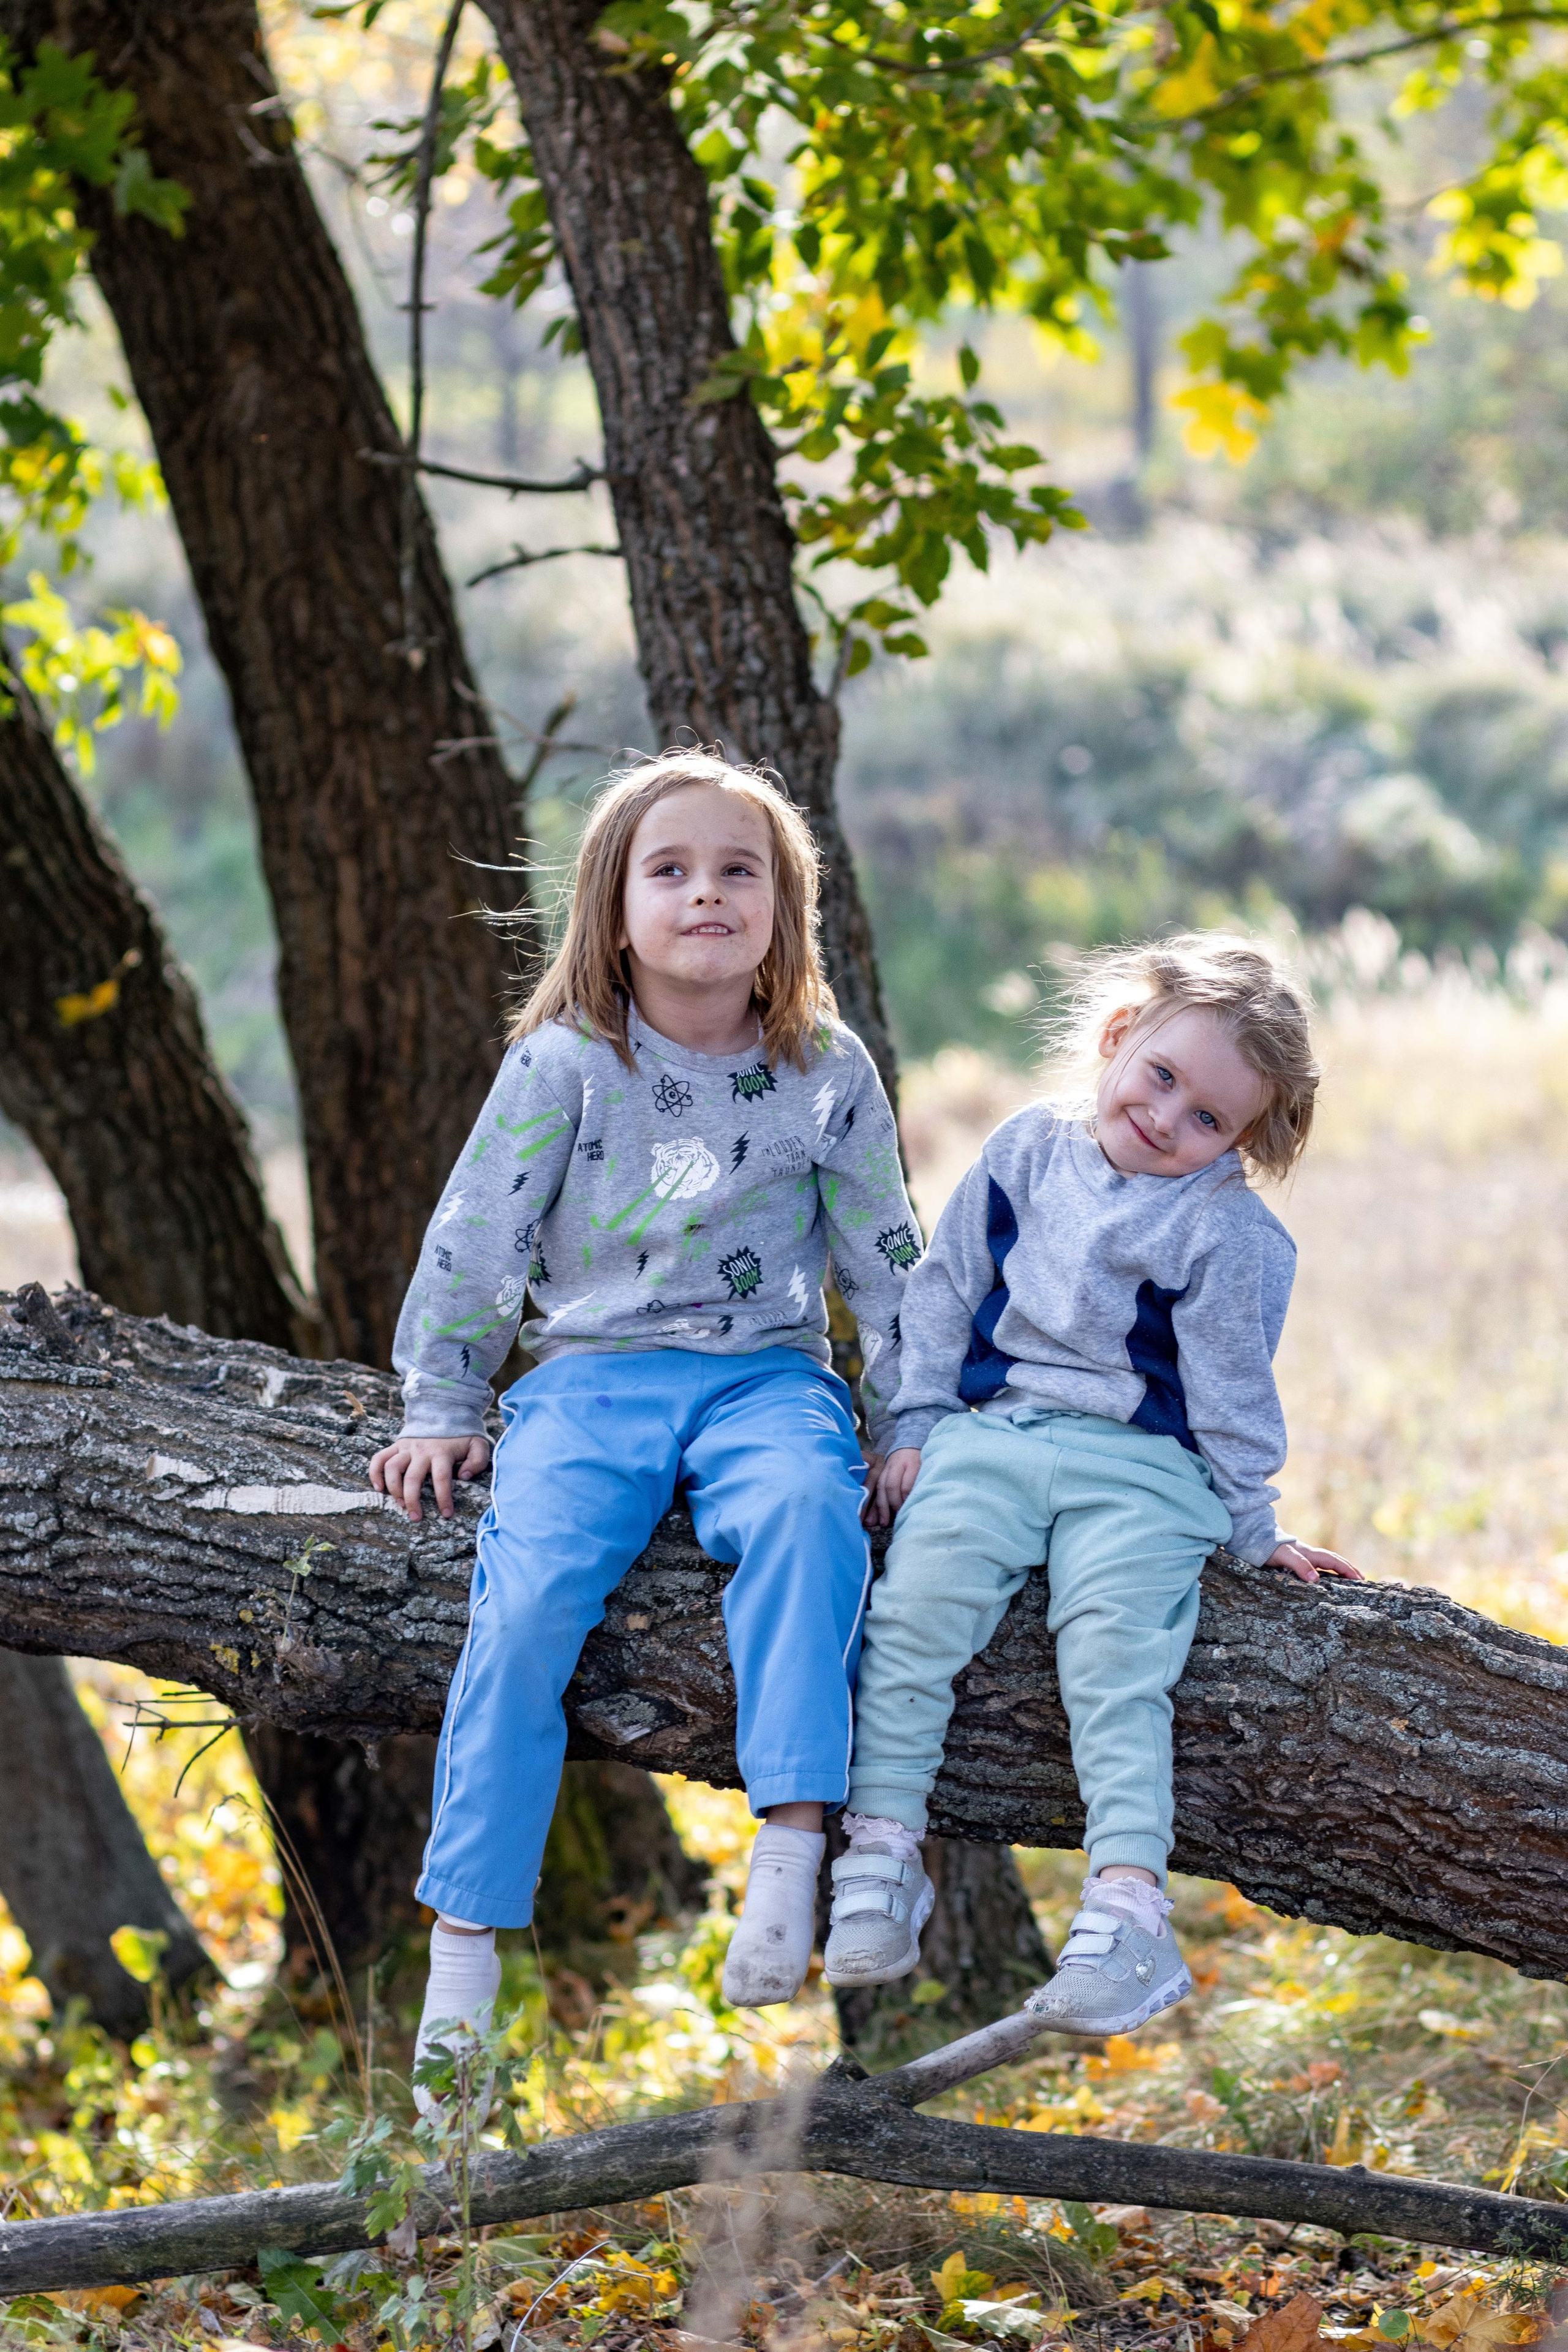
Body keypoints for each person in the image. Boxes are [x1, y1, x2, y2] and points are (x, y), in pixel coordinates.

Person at [369, 750, 922, 2089]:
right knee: (527, 1600)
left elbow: (885, 1263)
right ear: (613, 911)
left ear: (785, 910)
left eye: (740, 871)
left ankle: (792, 1853)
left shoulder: (824, 1071)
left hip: (766, 1379)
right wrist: (445, 1398)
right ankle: (464, 1947)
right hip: (585, 1382)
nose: (705, 894)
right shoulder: (564, 1066)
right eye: (667, 871)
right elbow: (476, 1240)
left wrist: (912, 1424)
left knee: (807, 1518)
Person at [823, 933, 1360, 2033]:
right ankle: (880, 1849)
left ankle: (1127, 1911)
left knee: (1115, 1662)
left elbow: (1230, 1394)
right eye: (1162, 1078)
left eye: (1208, 1119)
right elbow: (942, 1295)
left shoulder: (1226, 1230)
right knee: (912, 1613)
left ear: (1242, 1144)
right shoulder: (1025, 1152)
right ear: (1119, 1039)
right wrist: (914, 1423)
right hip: (995, 1439)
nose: (1167, 1119)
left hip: (1145, 1475)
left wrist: (1255, 1529)